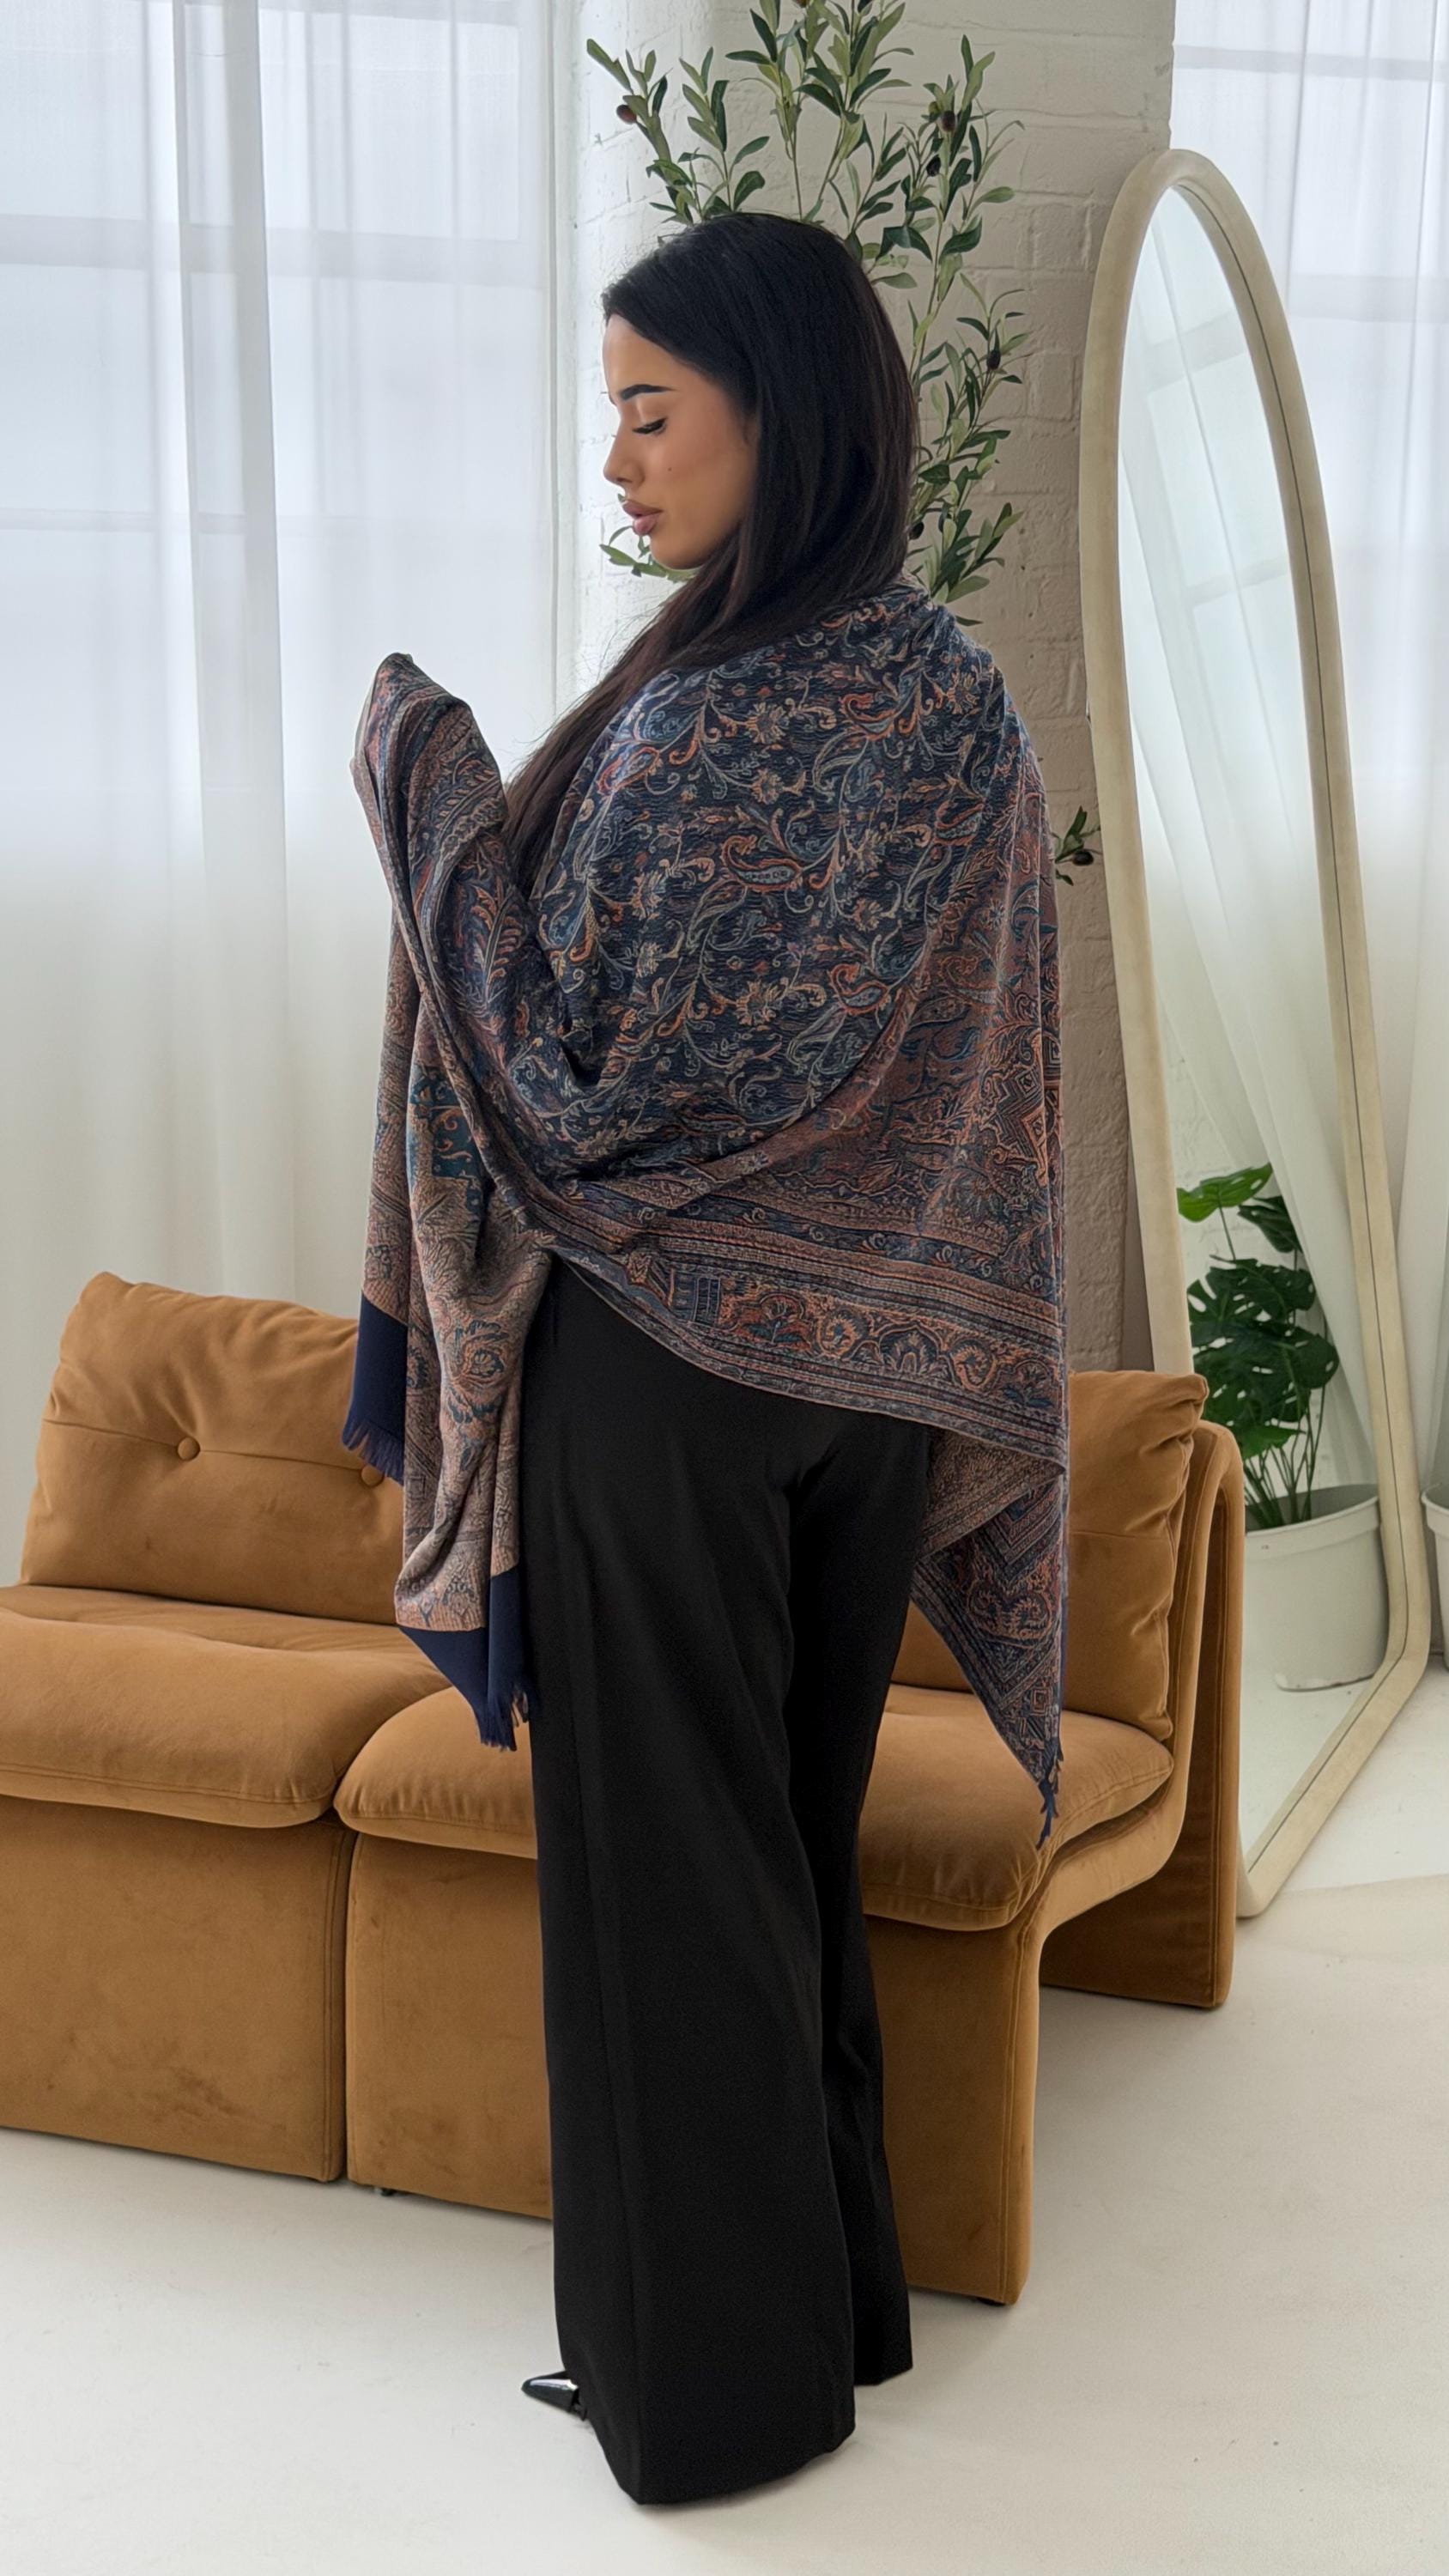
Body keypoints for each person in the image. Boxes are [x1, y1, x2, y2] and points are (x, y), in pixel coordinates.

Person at [400, 210, 1064, 2509]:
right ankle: (838, 2306)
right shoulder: (962, 700)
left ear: (777, 418)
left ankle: (709, 2398)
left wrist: (427, 797)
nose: (620, 460)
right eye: (613, 412)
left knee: (661, 1873)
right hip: (876, 1382)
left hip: (664, 1388)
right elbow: (993, 1086)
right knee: (785, 1838)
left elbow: (559, 1078)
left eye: (650, 409)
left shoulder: (692, 725)